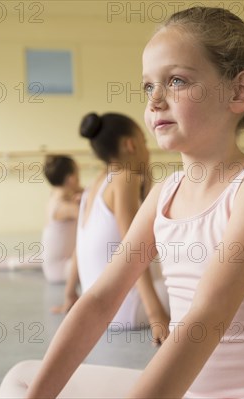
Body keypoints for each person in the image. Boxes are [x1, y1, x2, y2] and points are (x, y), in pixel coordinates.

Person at [0, 6, 244, 398]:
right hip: (186, 391)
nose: (155, 100)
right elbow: (100, 299)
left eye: (176, 80)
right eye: (148, 86)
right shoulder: (165, 193)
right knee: (24, 380)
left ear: (239, 90)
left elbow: (205, 318)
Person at [52, 112, 170, 334]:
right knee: (198, 281)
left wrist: (70, 294)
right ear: (130, 144)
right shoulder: (125, 179)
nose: (148, 149)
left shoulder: (93, 187)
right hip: (127, 309)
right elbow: (134, 249)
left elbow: (80, 246)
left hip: (100, 310)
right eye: (144, 142)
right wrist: (156, 317)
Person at [0, 155, 81, 285]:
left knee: (36, 258)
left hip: (54, 260)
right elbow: (93, 216)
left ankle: (6, 262)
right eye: (77, 173)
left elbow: (80, 190)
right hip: (60, 270)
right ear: (71, 179)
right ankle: (6, 262)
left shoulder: (55, 195)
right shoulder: (65, 207)